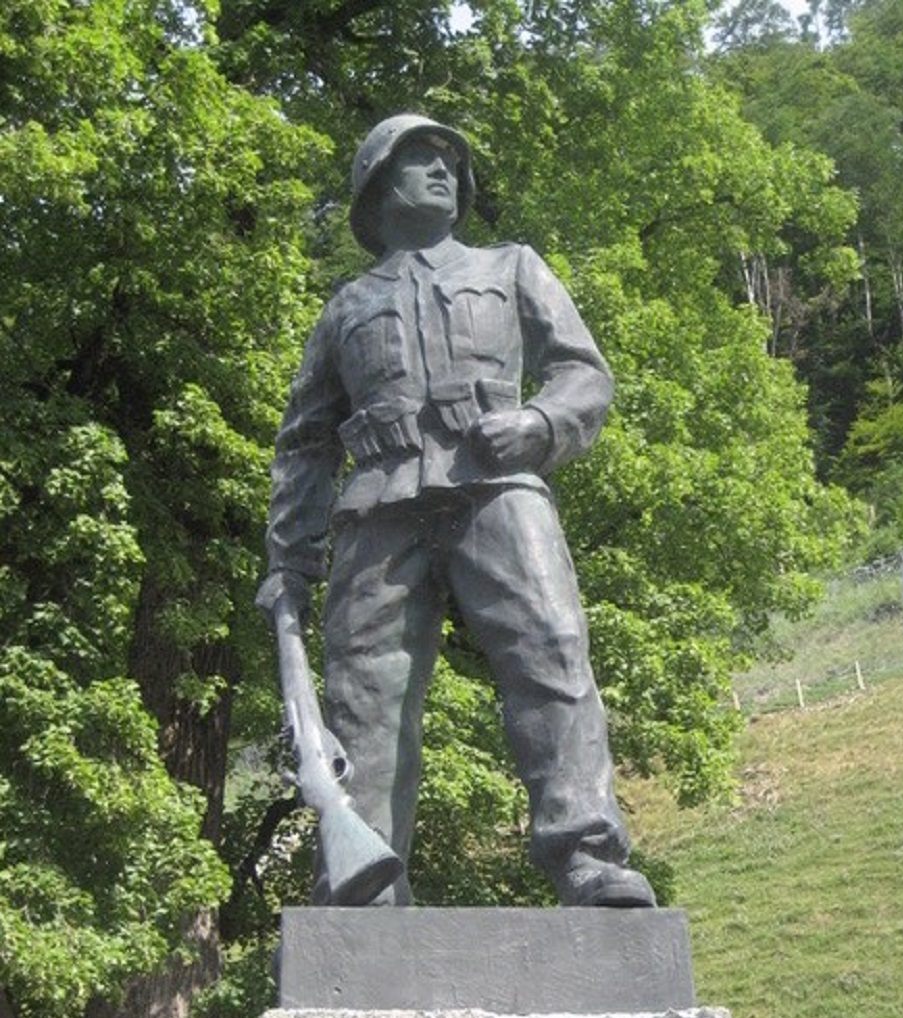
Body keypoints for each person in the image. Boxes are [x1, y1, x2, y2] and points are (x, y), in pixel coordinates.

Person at [257, 113, 654, 910]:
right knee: (367, 698)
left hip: (498, 492)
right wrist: (287, 563)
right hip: (378, 512)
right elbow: (304, 445)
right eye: (420, 157)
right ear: (378, 183)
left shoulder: (513, 268)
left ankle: (587, 856)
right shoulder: (344, 308)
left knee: (550, 658)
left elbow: (584, 373)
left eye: (450, 161)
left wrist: (540, 425)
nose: (443, 169)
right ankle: (363, 886)